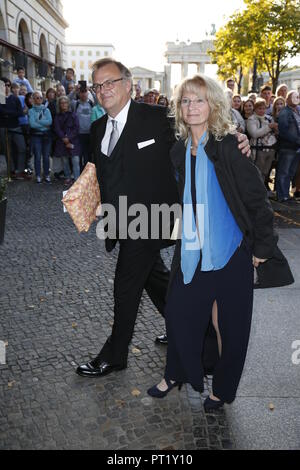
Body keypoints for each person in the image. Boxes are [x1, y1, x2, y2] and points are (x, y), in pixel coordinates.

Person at [75, 58, 251, 379]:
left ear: (129, 85)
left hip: (153, 218)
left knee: (126, 286)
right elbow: (104, 173)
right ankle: (194, 336)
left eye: (111, 82)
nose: (104, 90)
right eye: (98, 85)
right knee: (155, 279)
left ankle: (115, 355)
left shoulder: (157, 118)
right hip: (120, 220)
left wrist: (235, 138)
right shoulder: (98, 128)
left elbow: (200, 130)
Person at [147, 74, 288, 411]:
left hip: (231, 254)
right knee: (178, 316)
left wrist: (261, 250)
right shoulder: (178, 150)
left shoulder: (227, 145)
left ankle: (222, 390)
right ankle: (177, 373)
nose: (192, 106)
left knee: (229, 327)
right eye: (185, 100)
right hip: (193, 252)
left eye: (199, 100)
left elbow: (257, 201)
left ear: (213, 105)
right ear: (179, 109)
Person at [276, 90, 300, 203]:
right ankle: (282, 196)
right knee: (284, 172)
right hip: (287, 147)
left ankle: (286, 195)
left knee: (290, 172)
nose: (296, 98)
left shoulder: (297, 111)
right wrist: (297, 140)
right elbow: (283, 130)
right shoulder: (285, 112)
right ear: (288, 99)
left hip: (296, 147)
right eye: (293, 97)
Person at [247, 98, 277, 187]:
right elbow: (254, 134)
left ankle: (262, 190)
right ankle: (254, 190)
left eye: (264, 108)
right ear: (255, 109)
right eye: (259, 108)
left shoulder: (269, 118)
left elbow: (275, 133)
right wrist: (269, 127)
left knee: (266, 172)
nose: (262, 110)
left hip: (270, 149)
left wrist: (276, 129)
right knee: (257, 171)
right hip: (258, 149)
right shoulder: (251, 119)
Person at [0, 78, 25, 179]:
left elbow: (20, 112)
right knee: (8, 150)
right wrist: (11, 113)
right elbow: (1, 112)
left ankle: (20, 170)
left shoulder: (15, 98)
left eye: (8, 85)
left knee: (22, 148)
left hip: (16, 127)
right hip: (4, 128)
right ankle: (11, 171)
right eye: (3, 85)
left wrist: (7, 114)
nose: (6, 87)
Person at [54, 96, 81, 185]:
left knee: (75, 160)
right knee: (65, 160)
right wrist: (64, 138)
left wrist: (68, 138)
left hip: (73, 140)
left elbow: (76, 128)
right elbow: (57, 129)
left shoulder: (73, 114)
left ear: (68, 104)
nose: (64, 104)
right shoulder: (57, 116)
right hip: (62, 141)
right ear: (59, 105)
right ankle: (68, 177)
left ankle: (76, 178)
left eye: (65, 102)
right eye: (62, 103)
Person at [28, 91, 52, 183]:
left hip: (46, 136)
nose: (39, 99)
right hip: (36, 136)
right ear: (33, 99)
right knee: (37, 156)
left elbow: (49, 122)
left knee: (46, 156)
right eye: (37, 98)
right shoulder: (31, 111)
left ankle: (46, 174)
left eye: (40, 97)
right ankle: (38, 175)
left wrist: (38, 120)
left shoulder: (47, 110)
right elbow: (32, 124)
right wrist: (43, 124)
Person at [71, 87, 93, 167]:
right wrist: (74, 90)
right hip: (78, 134)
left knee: (88, 155)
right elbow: (67, 99)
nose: (83, 94)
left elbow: (99, 101)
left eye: (85, 92)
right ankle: (80, 172)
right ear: (78, 93)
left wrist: (92, 91)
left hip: (90, 133)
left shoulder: (91, 103)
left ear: (87, 93)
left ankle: (88, 173)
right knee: (79, 154)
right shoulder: (75, 104)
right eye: (81, 92)